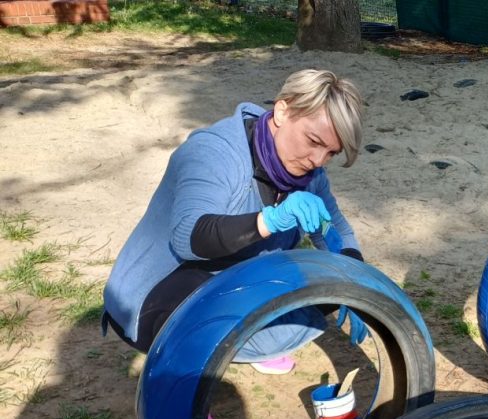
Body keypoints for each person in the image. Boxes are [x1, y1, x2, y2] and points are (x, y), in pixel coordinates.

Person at [103, 68, 368, 383]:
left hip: (231, 280)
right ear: (283, 111)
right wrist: (270, 220)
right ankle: (179, 382)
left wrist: (356, 282)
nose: (317, 160)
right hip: (160, 291)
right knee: (196, 312)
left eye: (331, 153)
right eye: (313, 141)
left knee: (327, 278)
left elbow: (336, 230)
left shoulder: (309, 177)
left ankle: (243, 341)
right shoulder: (214, 152)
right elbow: (189, 237)